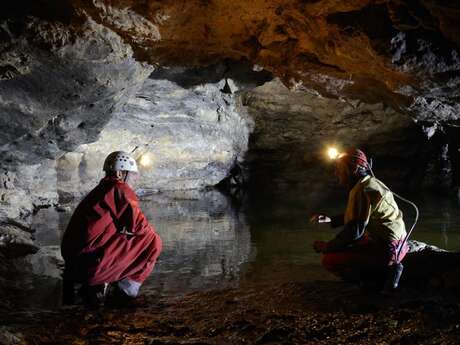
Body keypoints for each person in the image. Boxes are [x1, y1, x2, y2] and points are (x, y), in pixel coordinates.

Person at [61, 151, 162, 307]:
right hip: (88, 267)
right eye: (133, 175)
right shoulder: (118, 188)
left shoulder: (101, 190)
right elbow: (139, 227)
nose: (136, 179)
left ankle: (103, 284)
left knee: (128, 236)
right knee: (153, 241)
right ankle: (125, 291)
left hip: (73, 263)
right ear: (120, 173)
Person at [311, 148, 409, 285]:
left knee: (330, 259)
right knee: (357, 241)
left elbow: (354, 231)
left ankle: (373, 283)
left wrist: (327, 246)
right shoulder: (371, 182)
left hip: (388, 250)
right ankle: (385, 271)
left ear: (354, 169)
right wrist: (332, 220)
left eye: (340, 168)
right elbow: (360, 216)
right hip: (400, 244)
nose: (337, 173)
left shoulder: (361, 189)